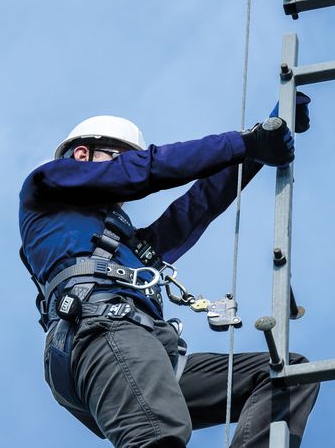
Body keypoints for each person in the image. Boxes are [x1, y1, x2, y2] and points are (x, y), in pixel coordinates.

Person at [19, 95, 318, 447]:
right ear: (83, 155)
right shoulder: (45, 186)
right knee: (158, 436)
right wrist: (244, 142)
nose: (123, 187)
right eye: (121, 156)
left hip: (149, 348)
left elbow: (197, 207)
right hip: (100, 330)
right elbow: (145, 170)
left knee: (289, 376)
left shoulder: (123, 243)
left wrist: (260, 140)